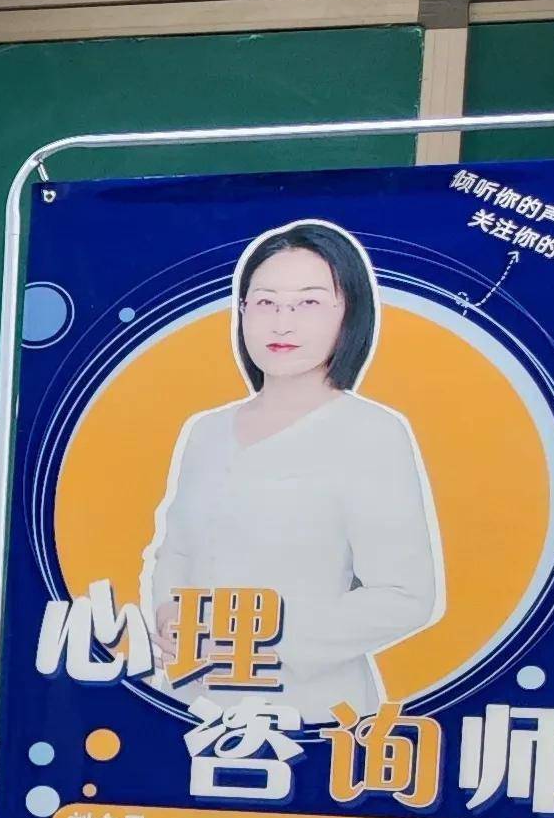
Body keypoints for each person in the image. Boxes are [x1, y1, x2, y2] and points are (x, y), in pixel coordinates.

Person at [137, 218, 446, 725]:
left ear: (349, 315)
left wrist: (261, 642)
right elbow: (178, 550)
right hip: (193, 700)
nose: (282, 323)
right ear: (241, 313)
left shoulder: (370, 432)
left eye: (308, 303)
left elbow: (405, 596)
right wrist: (170, 613)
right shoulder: (207, 431)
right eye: (265, 303)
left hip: (313, 710)